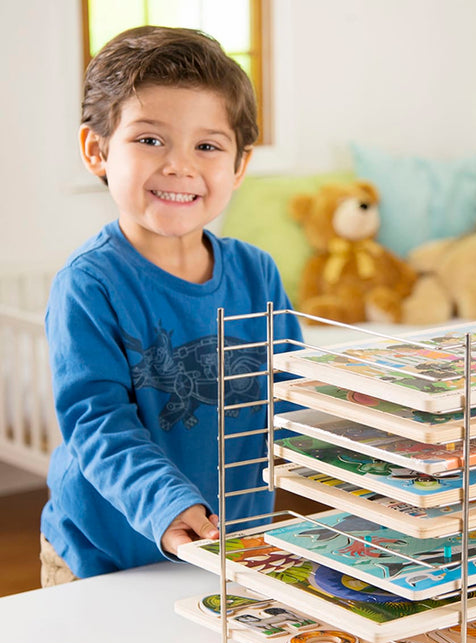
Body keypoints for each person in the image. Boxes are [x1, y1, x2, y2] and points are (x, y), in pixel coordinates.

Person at [40, 25, 302, 584]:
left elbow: (293, 397)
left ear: (238, 166)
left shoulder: (258, 272)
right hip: (103, 556)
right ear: (97, 150)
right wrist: (164, 502)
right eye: (150, 139)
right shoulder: (89, 284)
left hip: (230, 547)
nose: (179, 166)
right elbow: (98, 422)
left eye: (207, 145)